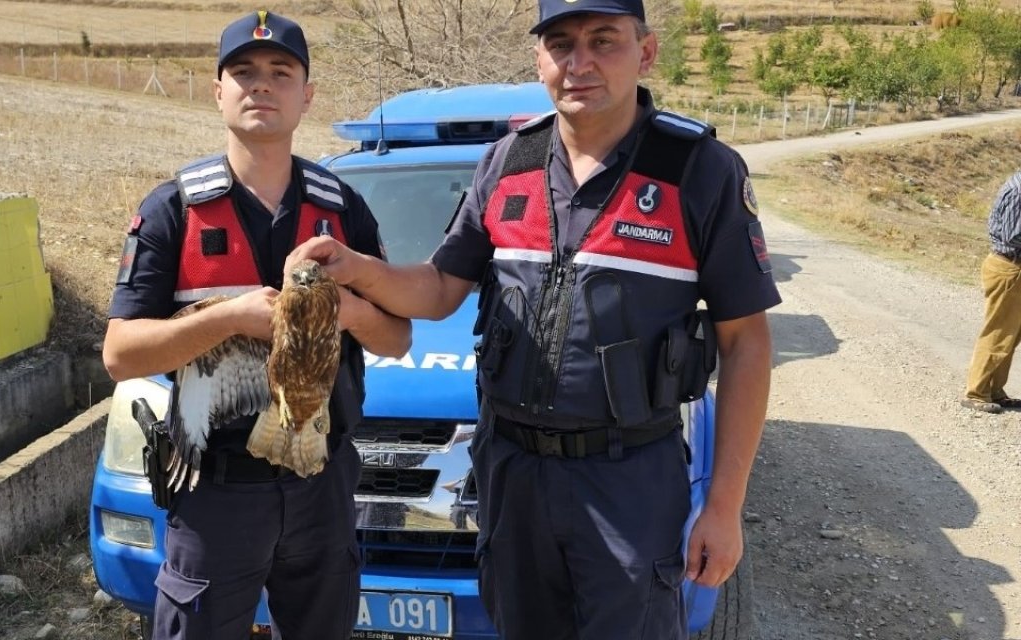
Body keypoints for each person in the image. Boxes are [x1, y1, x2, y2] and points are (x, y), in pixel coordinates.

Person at [285, 0, 780, 637]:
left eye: (604, 41)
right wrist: (357, 269)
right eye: (561, 44)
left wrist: (724, 505)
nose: (581, 63)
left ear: (646, 52)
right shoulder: (508, 161)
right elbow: (439, 287)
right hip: (511, 470)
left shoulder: (698, 171)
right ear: (540, 58)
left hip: (626, 476)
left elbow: (746, 345)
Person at [101, 10, 411, 640]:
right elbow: (120, 354)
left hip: (321, 480)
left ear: (307, 94)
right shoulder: (174, 211)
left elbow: (397, 338)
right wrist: (231, 318)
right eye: (242, 72)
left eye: (280, 72)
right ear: (218, 91)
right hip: (216, 490)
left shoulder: (343, 209)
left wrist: (348, 314)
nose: (261, 85)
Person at [962, 171, 1021, 414]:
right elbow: (1012, 235)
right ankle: (976, 392)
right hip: (1009, 267)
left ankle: (995, 389)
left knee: (1011, 334)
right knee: (997, 332)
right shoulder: (1019, 189)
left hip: (1014, 267)